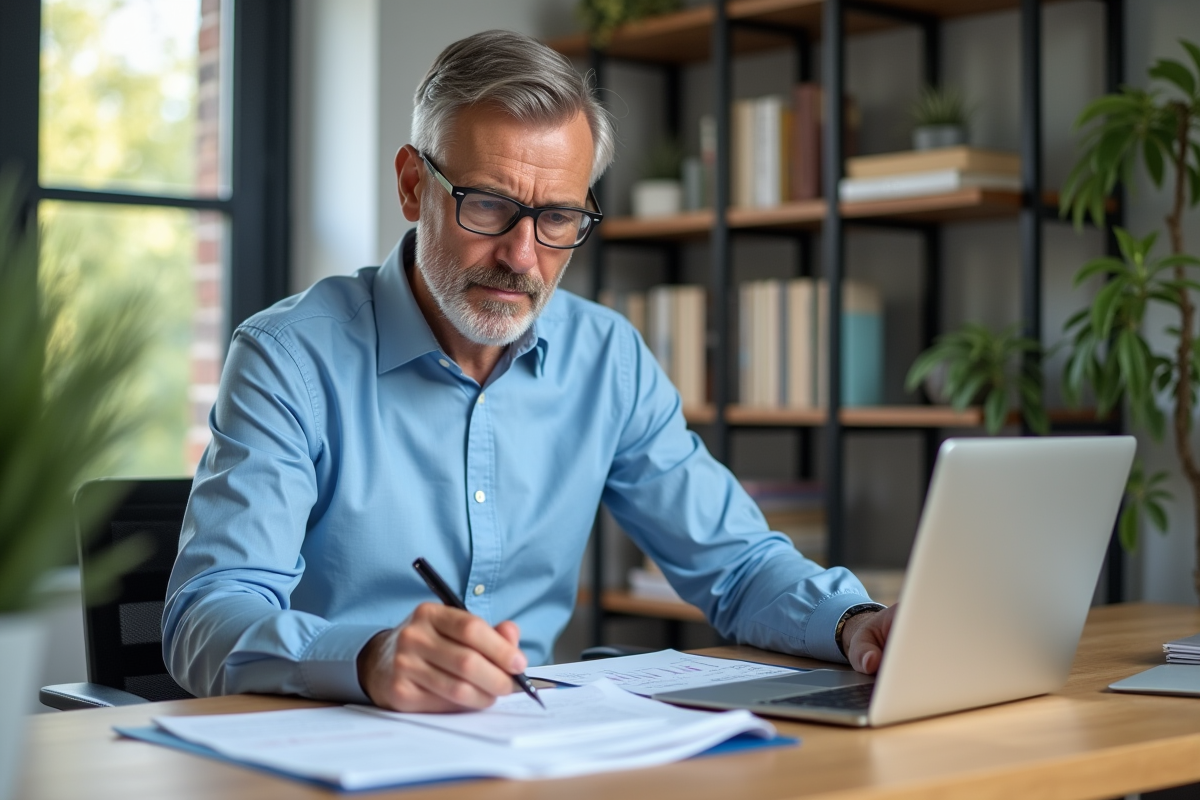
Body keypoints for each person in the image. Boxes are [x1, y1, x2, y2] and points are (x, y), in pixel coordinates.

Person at [162, 29, 896, 713]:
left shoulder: (606, 358)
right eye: (489, 205)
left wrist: (852, 622)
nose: (522, 256)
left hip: (530, 744)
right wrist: (368, 657)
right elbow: (206, 616)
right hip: (327, 749)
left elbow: (736, 565)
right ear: (413, 185)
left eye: (558, 218)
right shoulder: (288, 358)